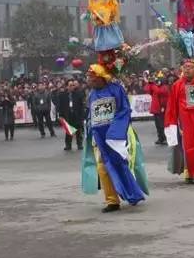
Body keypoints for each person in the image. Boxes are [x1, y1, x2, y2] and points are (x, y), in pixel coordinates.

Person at [81, 64, 148, 212]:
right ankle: (112, 200)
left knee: (122, 165)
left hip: (117, 137)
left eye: (91, 77)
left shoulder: (116, 89)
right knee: (102, 167)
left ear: (100, 77)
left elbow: (124, 110)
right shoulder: (92, 94)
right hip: (99, 137)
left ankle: (132, 193)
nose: (89, 80)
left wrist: (115, 132)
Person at [58, 79, 86, 151]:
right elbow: (60, 106)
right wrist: (60, 115)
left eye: (73, 85)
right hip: (67, 115)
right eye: (70, 85)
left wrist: (82, 116)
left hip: (76, 115)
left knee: (78, 130)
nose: (72, 87)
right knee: (68, 131)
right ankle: (68, 145)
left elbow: (82, 106)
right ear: (67, 86)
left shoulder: (78, 94)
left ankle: (79, 144)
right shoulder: (62, 95)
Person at [144, 72, 169, 145]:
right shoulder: (155, 86)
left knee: (162, 124)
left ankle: (164, 138)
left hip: (161, 108)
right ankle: (160, 138)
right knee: (158, 125)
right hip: (156, 108)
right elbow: (146, 89)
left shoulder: (163, 87)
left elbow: (160, 93)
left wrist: (163, 107)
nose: (157, 81)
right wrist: (149, 83)